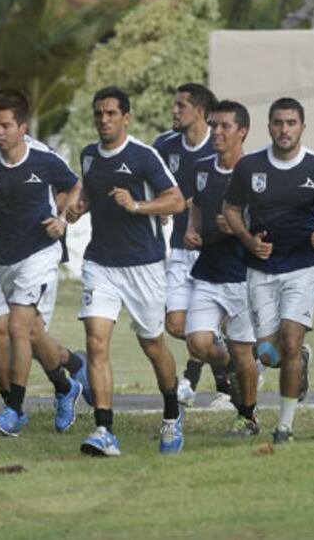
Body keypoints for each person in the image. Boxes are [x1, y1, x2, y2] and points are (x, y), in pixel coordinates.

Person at [0, 90, 88, 436]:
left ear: (23, 127)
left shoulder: (43, 159)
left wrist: (62, 219)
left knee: (19, 327)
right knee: (7, 334)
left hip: (38, 253)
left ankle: (14, 411)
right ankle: (66, 382)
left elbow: (75, 186)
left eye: (5, 126)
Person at [66, 86, 185, 456]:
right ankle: (104, 430)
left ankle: (172, 412)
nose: (104, 120)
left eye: (111, 114)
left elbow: (176, 201)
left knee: (152, 344)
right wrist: (78, 207)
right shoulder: (89, 155)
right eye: (99, 114)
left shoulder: (143, 156)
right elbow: (90, 192)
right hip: (100, 263)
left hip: (143, 265)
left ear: (126, 117)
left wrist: (136, 206)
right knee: (96, 342)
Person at [224, 97, 314, 444]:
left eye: (291, 123)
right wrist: (248, 241)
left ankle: (284, 427)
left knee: (291, 340)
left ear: (302, 127)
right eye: (278, 123)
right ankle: (299, 358)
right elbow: (231, 209)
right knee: (268, 354)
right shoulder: (249, 166)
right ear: (269, 127)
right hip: (261, 268)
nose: (284, 129)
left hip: (304, 265)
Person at [183, 100, 259, 436]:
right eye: (214, 125)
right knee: (198, 343)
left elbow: (269, 220)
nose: (216, 132)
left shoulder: (255, 171)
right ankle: (237, 366)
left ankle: (248, 417)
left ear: (242, 132)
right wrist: (192, 228)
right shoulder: (202, 168)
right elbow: (197, 206)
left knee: (246, 354)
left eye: (224, 126)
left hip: (244, 275)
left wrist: (240, 227)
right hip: (208, 271)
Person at [154, 84, 231, 409]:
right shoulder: (163, 145)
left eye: (180, 106)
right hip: (179, 249)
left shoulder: (220, 145)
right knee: (175, 324)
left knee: (210, 324)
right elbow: (151, 183)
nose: (174, 111)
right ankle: (239, 361)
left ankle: (218, 385)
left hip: (214, 250)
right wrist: (158, 206)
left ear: (199, 112)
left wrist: (189, 208)